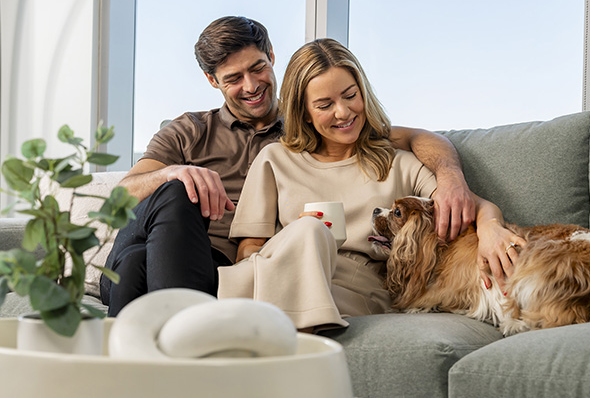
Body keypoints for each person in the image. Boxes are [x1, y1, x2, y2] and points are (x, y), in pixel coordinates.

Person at [99, 16, 496, 317]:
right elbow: (120, 196)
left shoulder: (313, 128)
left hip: (215, 266)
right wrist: (174, 171)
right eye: (234, 78)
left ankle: (140, 362)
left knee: (138, 267)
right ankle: (185, 333)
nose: (251, 85)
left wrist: (452, 178)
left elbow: (409, 138)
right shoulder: (189, 130)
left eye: (257, 68)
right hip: (168, 240)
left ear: (271, 58)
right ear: (211, 80)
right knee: (167, 200)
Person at [218, 38, 524, 331]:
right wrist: (299, 245)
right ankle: (281, 344)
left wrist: (490, 229)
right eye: (324, 104)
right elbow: (249, 251)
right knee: (308, 231)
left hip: (356, 287)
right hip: (280, 272)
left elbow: (468, 202)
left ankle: (263, 343)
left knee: (310, 233)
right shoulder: (275, 159)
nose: (343, 112)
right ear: (305, 113)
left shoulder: (398, 163)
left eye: (350, 96)